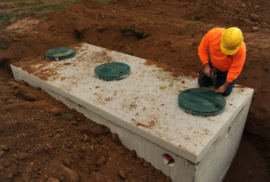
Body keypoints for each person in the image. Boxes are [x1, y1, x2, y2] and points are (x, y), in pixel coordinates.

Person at [198, 27, 246, 96]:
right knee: (202, 83)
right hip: (213, 64)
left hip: (226, 70)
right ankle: (215, 77)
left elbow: (235, 70)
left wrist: (225, 86)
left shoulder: (241, 49)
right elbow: (202, 49)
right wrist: (206, 66)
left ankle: (218, 79)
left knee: (225, 92)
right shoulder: (213, 34)